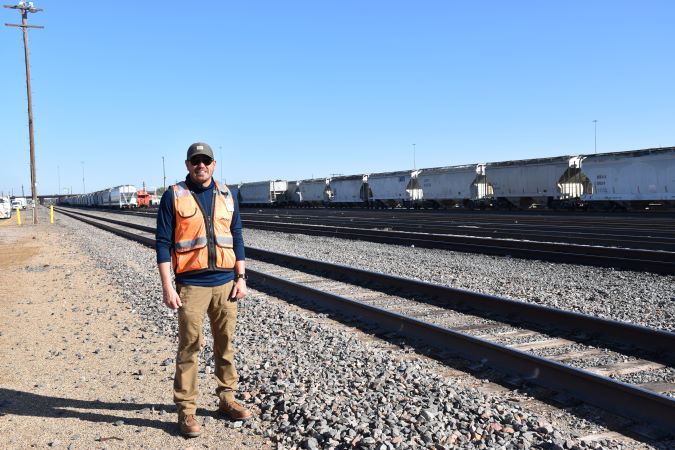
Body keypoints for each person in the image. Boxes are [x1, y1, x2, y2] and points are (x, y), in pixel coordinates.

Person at [156, 142, 252, 438]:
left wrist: (241, 277)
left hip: (226, 283)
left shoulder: (227, 194)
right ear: (188, 165)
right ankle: (186, 411)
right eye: (196, 161)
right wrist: (167, 286)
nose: (201, 166)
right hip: (192, 286)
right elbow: (162, 243)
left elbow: (236, 235)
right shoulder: (173, 196)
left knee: (226, 344)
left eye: (206, 161)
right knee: (190, 348)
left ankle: (227, 399)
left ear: (214, 164)